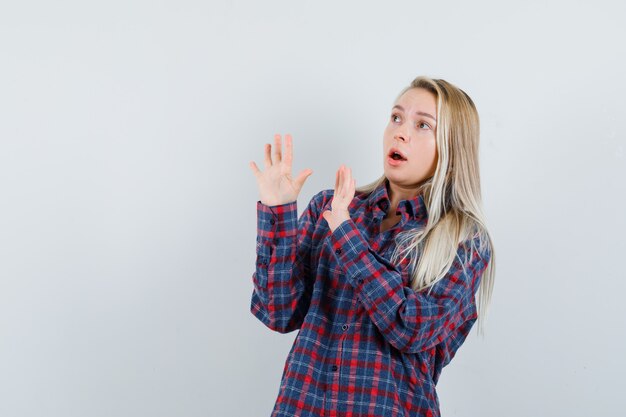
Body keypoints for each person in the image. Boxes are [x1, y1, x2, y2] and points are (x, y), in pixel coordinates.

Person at [248, 75, 496, 417]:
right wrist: (278, 213)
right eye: (396, 117)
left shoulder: (465, 241)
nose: (401, 131)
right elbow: (278, 312)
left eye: (423, 125)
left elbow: (412, 329)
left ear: (452, 148)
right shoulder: (331, 207)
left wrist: (346, 235)